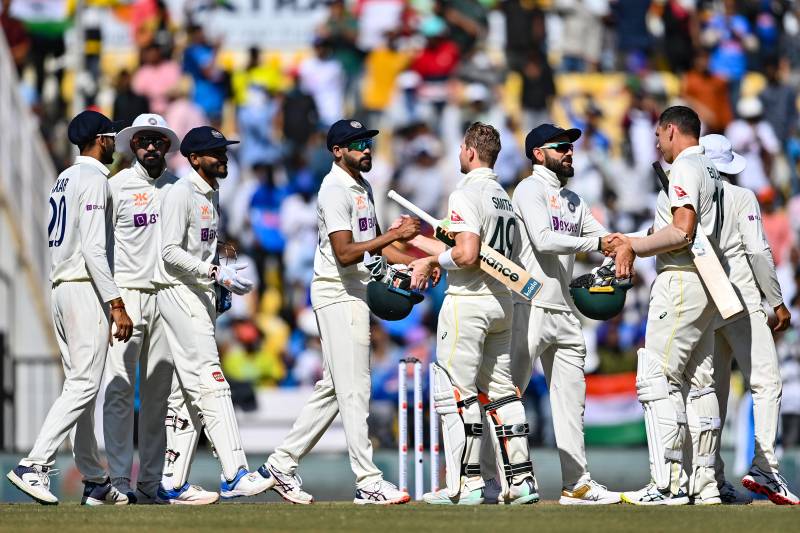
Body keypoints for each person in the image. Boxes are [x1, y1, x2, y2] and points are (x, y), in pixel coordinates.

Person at [259, 119, 420, 505]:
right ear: (337, 151)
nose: (367, 149)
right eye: (358, 144)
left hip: (355, 291)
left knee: (335, 386)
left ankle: (281, 463)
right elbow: (346, 252)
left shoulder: (361, 187)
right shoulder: (333, 189)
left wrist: (416, 262)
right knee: (355, 388)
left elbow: (376, 247)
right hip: (338, 292)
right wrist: (394, 236)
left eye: (368, 142)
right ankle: (367, 480)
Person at [489, 123, 623, 505]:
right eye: (561, 146)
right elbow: (545, 240)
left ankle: (576, 483)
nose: (569, 152)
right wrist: (599, 242)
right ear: (538, 154)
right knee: (507, 396)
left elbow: (607, 239)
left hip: (564, 309)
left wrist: (625, 245)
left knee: (571, 403)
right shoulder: (528, 189)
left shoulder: (575, 200)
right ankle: (496, 480)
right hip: (526, 305)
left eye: (571, 147)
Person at [6, 110, 134, 505]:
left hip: (62, 286)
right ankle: (35, 464)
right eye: (111, 136)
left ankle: (94, 479)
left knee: (79, 385)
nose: (115, 143)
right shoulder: (94, 178)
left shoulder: (63, 178)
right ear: (100, 140)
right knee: (84, 384)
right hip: (83, 289)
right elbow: (95, 249)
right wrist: (116, 303)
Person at [406, 122, 537, 505]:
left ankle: (468, 484)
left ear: (468, 151)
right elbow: (469, 246)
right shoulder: (503, 197)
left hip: (467, 302)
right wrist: (415, 240)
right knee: (502, 393)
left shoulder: (464, 193)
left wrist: (430, 261)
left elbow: (465, 253)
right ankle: (522, 480)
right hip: (502, 303)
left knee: (456, 394)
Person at [609, 106, 729, 505]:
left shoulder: (683, 168)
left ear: (672, 131)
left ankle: (668, 483)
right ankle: (706, 483)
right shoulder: (711, 169)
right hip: (709, 283)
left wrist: (635, 246)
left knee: (657, 378)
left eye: (659, 137)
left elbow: (682, 230)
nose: (657, 144)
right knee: (700, 383)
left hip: (681, 280)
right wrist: (642, 235)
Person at [102, 113, 217, 505]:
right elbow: (98, 250)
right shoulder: (115, 187)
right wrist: (112, 301)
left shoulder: (180, 188)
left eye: (158, 141)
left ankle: (151, 484)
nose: (151, 147)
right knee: (119, 389)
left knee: (158, 396)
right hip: (128, 297)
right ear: (133, 146)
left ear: (168, 147)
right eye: (144, 141)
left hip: (170, 295)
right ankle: (117, 481)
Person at [153, 126, 272, 500]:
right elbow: (168, 252)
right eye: (215, 152)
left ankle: (172, 483)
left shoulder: (212, 193)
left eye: (224, 151)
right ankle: (235, 472)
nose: (223, 158)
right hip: (177, 293)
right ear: (193, 159)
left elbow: (198, 246)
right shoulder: (180, 193)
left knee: (186, 394)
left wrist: (221, 270)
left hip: (200, 294)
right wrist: (213, 272)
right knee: (212, 379)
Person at [699, 134, 798, 505]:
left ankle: (708, 476)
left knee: (713, 391)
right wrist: (777, 302)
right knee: (767, 384)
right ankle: (765, 468)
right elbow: (757, 250)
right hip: (740, 301)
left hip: (704, 306)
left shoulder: (685, 199)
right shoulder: (742, 197)